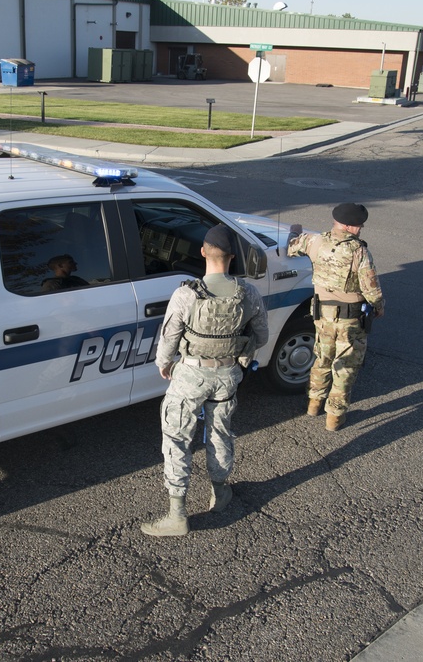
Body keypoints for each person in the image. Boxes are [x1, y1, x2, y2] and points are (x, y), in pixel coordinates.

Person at [141, 224, 269, 537]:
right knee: (220, 433)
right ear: (232, 257)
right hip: (227, 376)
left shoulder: (186, 293)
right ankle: (220, 491)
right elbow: (262, 336)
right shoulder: (248, 293)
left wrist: (163, 363)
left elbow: (169, 337)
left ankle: (177, 514)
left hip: (190, 375)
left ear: (202, 252)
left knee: (177, 439)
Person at [287, 203, 385, 432]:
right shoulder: (359, 251)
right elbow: (371, 288)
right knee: (345, 367)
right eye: (359, 226)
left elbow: (292, 246)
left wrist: (294, 232)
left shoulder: (314, 241)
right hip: (350, 321)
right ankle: (334, 417)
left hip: (323, 315)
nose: (360, 230)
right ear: (350, 226)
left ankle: (314, 404)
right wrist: (379, 306)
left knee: (322, 358)